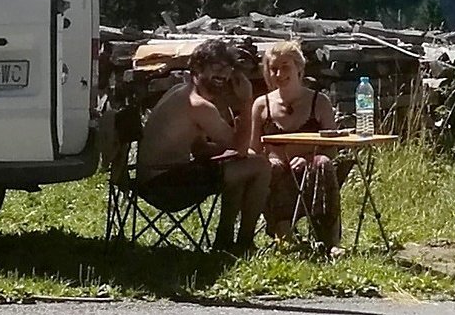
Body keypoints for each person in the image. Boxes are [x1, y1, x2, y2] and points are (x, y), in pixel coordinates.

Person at [136, 38, 270, 252]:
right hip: (165, 186)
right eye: (216, 67)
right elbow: (241, 149)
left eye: (227, 69)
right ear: (197, 68)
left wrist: (232, 156)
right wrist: (246, 102)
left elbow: (199, 149)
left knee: (240, 168)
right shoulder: (199, 106)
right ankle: (244, 243)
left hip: (150, 179)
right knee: (261, 166)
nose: (223, 74)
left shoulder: (179, 91)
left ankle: (225, 241)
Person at [254, 38, 342, 249]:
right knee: (268, 169)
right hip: (277, 170)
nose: (279, 74)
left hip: (311, 169)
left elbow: (332, 148)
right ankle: (283, 234)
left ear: (299, 68)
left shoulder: (319, 103)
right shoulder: (261, 105)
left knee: (322, 163)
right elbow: (253, 150)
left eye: (285, 67)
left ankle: (329, 241)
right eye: (273, 69)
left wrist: (308, 158)